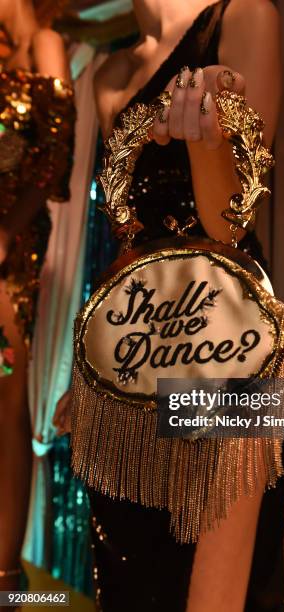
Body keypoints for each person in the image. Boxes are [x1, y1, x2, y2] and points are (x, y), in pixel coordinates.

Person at [54, 0, 282, 610]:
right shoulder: (107, 75)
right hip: (132, 351)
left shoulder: (242, 19)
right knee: (132, 578)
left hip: (224, 338)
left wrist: (205, 143)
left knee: (213, 588)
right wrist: (91, 363)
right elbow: (129, 240)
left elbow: (229, 227)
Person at [0, 0, 75, 596]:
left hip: (13, 248)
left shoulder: (46, 43)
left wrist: (5, 232)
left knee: (8, 396)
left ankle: (7, 579)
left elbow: (58, 158)